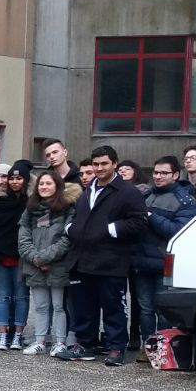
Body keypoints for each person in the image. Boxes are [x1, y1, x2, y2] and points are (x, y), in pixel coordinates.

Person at [64, 144, 147, 367]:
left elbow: (139, 221)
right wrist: (71, 228)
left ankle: (116, 348)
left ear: (115, 164)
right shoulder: (88, 189)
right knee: (83, 307)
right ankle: (85, 345)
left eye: (104, 164)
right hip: (82, 259)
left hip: (111, 261)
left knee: (113, 308)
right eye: (96, 164)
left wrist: (110, 229)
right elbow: (78, 216)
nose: (99, 168)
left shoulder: (128, 192)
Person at [131, 156, 196, 355]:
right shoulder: (146, 195)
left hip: (165, 263)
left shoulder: (185, 200)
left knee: (163, 310)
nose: (158, 177)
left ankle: (162, 349)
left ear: (176, 175)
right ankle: (147, 346)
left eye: (164, 173)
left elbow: (180, 232)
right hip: (142, 261)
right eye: (156, 173)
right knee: (145, 308)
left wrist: (151, 217)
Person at [18, 170, 78, 357]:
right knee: (41, 306)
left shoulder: (68, 208)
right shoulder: (30, 209)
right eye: (41, 184)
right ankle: (40, 341)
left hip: (57, 266)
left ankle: (60, 342)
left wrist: (45, 257)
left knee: (59, 306)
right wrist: (35, 258)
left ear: (57, 186)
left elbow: (67, 239)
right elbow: (23, 237)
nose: (44, 187)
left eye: (48, 183)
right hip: (34, 265)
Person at [0, 160, 32, 350]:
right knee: (2, 296)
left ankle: (18, 335)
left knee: (21, 296)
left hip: (21, 255)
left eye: (16, 178)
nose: (10, 181)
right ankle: (2, 336)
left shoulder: (28, 202)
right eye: (9, 178)